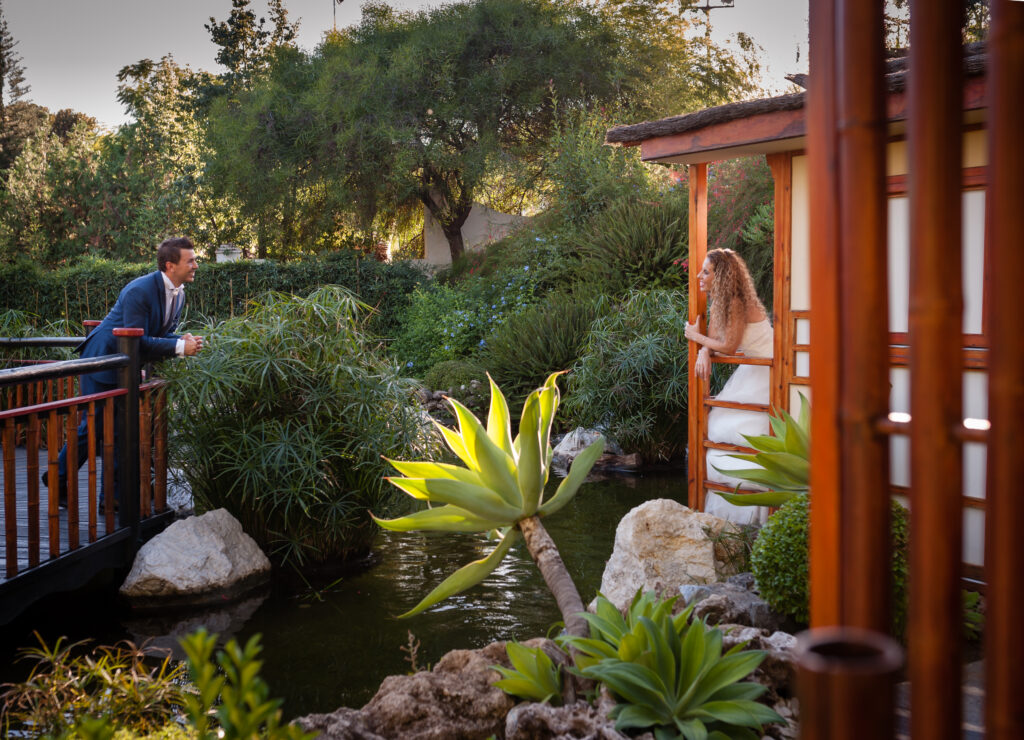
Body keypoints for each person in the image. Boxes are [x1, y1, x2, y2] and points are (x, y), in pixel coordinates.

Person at [45, 237, 205, 506]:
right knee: (93, 427)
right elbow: (136, 340)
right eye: (190, 260)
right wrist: (179, 346)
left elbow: (158, 334)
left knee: (122, 431)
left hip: (127, 364)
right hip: (102, 360)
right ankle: (57, 476)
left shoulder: (180, 294)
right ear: (170, 265)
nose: (196, 265)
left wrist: (182, 339)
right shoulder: (139, 291)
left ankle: (112, 499)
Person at [684, 248, 773, 526]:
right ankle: (724, 509)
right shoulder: (721, 301)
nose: (700, 275)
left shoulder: (736, 302)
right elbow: (715, 342)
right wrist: (703, 351)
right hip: (751, 367)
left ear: (720, 276)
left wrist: (695, 337)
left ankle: (749, 510)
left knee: (727, 427)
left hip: (767, 369)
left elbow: (729, 346)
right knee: (715, 425)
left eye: (706, 271)